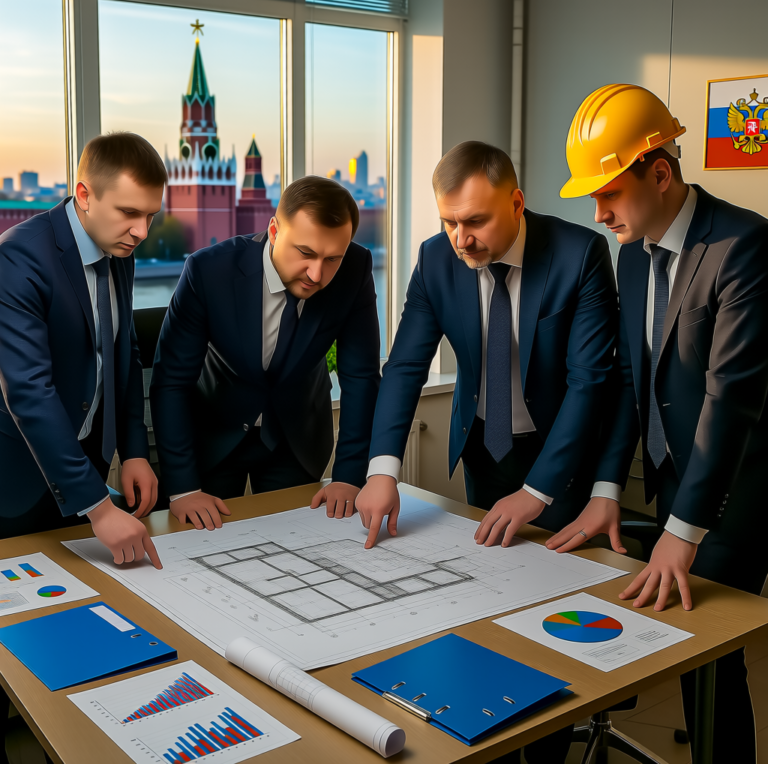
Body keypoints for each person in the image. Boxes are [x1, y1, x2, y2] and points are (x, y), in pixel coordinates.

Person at [355, 141, 617, 763]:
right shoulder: (434, 259)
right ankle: (494, 730)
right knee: (489, 605)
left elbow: (589, 383)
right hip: (484, 451)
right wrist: (383, 469)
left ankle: (547, 748)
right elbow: (405, 367)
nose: (460, 238)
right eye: (449, 221)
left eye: (475, 221)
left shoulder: (579, 252)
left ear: (517, 203)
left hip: (560, 461)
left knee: (551, 618)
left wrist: (538, 490)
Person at [547, 83, 768, 762]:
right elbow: (630, 382)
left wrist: (683, 529)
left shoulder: (744, 244)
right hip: (669, 479)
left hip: (733, 490)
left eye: (609, 193)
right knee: (669, 643)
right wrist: (606, 488)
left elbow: (731, 398)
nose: (598, 212)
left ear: (661, 174)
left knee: (713, 661)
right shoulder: (632, 254)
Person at [150, 176, 381, 530]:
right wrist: (182, 488)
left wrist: (349, 476)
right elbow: (170, 381)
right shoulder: (208, 270)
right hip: (212, 434)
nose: (316, 273)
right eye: (305, 253)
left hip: (296, 438)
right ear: (274, 231)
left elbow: (361, 377)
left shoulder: (355, 268)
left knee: (297, 544)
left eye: (332, 258)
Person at [0, 131, 163, 568]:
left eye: (151, 215)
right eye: (129, 212)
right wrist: (100, 508)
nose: (142, 231)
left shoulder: (120, 248)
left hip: (89, 464)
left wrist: (134, 450)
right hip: (18, 479)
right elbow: (29, 391)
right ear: (85, 195)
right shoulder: (17, 257)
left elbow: (124, 353)